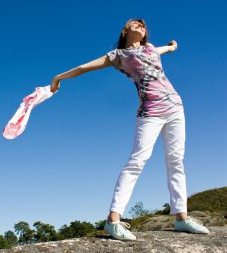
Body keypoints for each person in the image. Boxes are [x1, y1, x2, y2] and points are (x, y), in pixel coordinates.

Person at [50, 18, 209, 240]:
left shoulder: (151, 48)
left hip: (175, 107)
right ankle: (113, 221)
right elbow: (83, 68)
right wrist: (59, 77)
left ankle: (181, 218)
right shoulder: (119, 56)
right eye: (136, 24)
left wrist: (173, 46)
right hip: (150, 113)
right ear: (126, 31)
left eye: (143, 25)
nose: (141, 26)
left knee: (176, 160)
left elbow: (167, 48)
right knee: (137, 161)